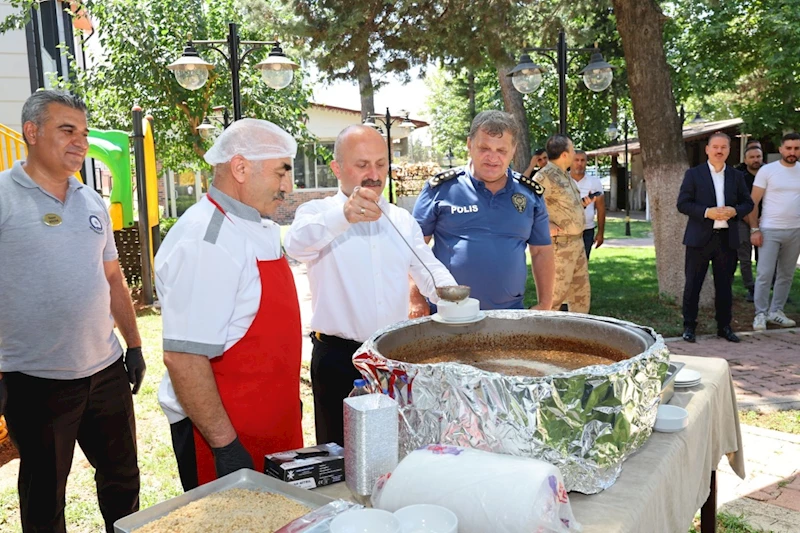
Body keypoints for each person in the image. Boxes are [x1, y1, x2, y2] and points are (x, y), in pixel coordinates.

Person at [0, 90, 144, 532]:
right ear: (32, 132)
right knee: (45, 496)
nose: (80, 142)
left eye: (83, 132)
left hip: (104, 372)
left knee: (123, 482)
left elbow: (114, 278)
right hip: (35, 380)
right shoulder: (3, 197)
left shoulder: (91, 199)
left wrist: (134, 346)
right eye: (68, 130)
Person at [283, 125, 456, 447]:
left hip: (392, 355)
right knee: (339, 453)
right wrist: (344, 216)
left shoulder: (402, 220)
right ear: (337, 168)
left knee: (395, 447)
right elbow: (295, 245)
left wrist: (456, 300)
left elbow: (430, 271)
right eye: (362, 165)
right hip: (338, 357)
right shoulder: (318, 212)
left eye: (380, 164)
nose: (374, 174)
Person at [156, 119, 302, 491]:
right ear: (240, 168)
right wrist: (226, 448)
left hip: (271, 425)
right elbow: (184, 358)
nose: (288, 187)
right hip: (224, 437)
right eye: (281, 172)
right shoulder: (207, 240)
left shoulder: (258, 226)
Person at [410, 110, 555, 312]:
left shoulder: (530, 195)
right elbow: (413, 248)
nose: (492, 157)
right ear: (470, 144)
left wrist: (545, 304)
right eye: (484, 147)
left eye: (501, 150)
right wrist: (415, 298)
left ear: (513, 150)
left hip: (509, 315)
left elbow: (541, 251)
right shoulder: (441, 189)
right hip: (449, 313)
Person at [677, 132, 754, 343]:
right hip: (699, 239)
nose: (719, 151)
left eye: (724, 147)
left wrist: (734, 211)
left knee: (724, 286)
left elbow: (748, 204)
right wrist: (706, 212)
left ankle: (724, 327)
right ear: (707, 149)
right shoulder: (694, 174)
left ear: (729, 150)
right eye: (716, 147)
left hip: (727, 239)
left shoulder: (736, 176)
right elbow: (682, 204)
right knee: (693, 284)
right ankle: (689, 327)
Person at [749, 132, 800, 331]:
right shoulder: (767, 171)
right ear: (780, 149)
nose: (792, 152)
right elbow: (753, 202)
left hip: (795, 230)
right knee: (764, 273)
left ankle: (776, 311)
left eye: (796, 148)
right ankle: (760, 314)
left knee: (786, 274)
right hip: (770, 229)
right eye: (788, 148)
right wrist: (754, 229)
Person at [535, 134, 591, 313]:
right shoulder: (545, 176)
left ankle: (576, 337)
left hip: (577, 244)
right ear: (565, 154)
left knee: (581, 297)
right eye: (573, 149)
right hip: (560, 248)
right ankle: (542, 337)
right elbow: (527, 206)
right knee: (553, 299)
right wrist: (545, 226)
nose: (575, 153)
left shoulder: (565, 176)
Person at [737, 146, 763, 301]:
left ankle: (764, 286)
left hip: (765, 220)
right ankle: (750, 288)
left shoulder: (768, 173)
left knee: (764, 256)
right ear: (745, 160)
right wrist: (751, 221)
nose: (755, 160)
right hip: (743, 220)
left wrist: (761, 220)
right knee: (745, 257)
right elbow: (737, 201)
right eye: (752, 157)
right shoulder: (739, 176)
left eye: (758, 156)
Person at [570, 149, 606, 259]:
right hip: (566, 231)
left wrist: (600, 233)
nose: (579, 163)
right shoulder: (563, 180)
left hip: (587, 230)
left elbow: (601, 209)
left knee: (583, 266)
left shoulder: (594, 182)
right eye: (576, 160)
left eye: (582, 160)